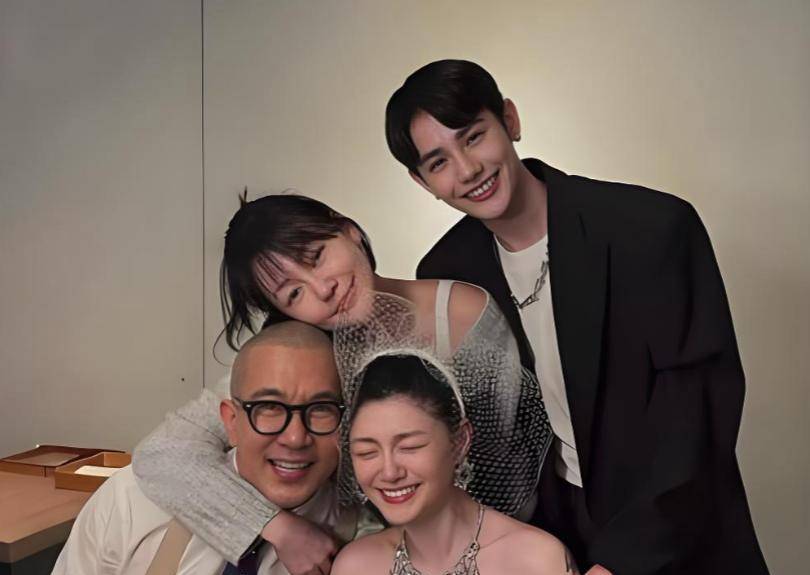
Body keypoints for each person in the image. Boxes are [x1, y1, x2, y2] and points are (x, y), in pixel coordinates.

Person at [385, 59, 768, 574]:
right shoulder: (448, 273)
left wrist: (621, 562)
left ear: (510, 120)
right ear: (421, 181)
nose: (468, 170)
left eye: (474, 137)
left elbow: (699, 410)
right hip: (553, 539)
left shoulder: (651, 227)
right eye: (439, 163)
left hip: (678, 528)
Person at [132, 194, 552, 574]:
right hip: (359, 549)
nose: (324, 289)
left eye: (317, 257)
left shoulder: (461, 312)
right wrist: (276, 527)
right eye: (294, 294)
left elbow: (506, 470)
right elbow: (165, 453)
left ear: (347, 229)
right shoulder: (306, 358)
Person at [55, 322, 379, 574]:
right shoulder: (129, 503)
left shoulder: (369, 545)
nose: (295, 438)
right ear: (231, 421)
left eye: (321, 409)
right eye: (268, 407)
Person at [332, 354, 576, 575]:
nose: (389, 472)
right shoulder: (356, 566)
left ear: (459, 441)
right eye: (366, 452)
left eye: (410, 447)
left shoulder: (535, 559)